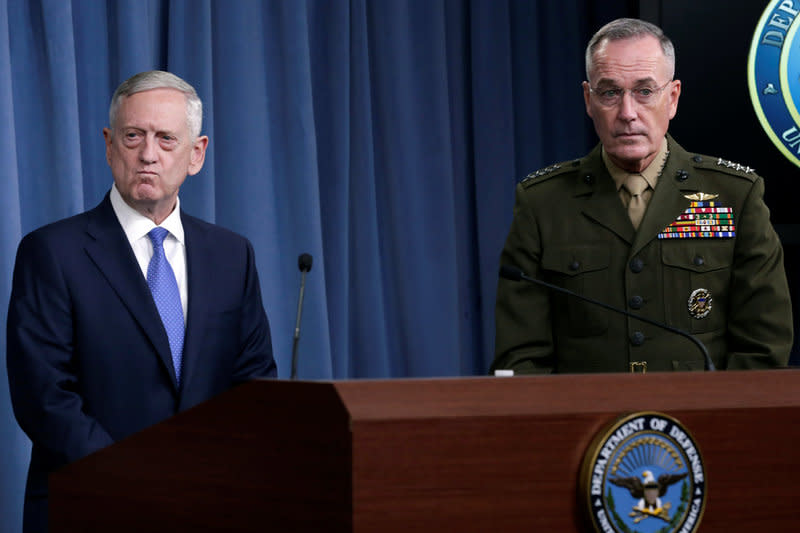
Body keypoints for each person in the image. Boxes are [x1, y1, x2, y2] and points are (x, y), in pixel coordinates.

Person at [6, 70, 277, 532]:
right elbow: (45, 398)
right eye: (134, 136)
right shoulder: (52, 252)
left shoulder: (232, 255)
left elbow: (254, 386)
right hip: (91, 507)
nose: (148, 154)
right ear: (110, 145)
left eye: (166, 139)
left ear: (197, 154)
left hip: (208, 511)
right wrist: (141, 484)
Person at [492, 18, 792, 374]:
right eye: (610, 92)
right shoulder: (542, 204)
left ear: (673, 97)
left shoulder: (735, 196)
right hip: (587, 425)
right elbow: (521, 360)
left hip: (700, 424)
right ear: (589, 100)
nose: (628, 113)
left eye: (645, 91)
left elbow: (762, 351)